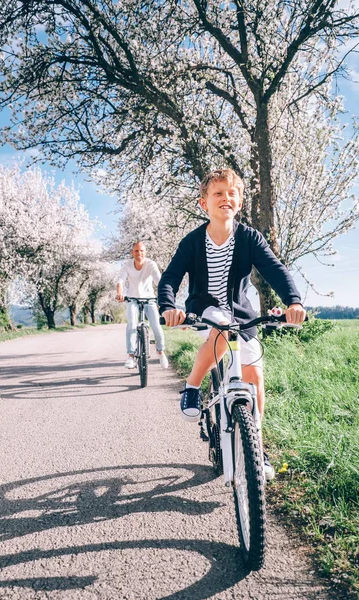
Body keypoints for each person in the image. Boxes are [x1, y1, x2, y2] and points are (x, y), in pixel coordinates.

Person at [158, 168, 306, 480]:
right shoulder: (192, 242)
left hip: (242, 311)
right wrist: (168, 306)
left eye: (232, 193)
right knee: (222, 325)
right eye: (218, 193)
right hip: (203, 307)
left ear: (239, 202)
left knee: (254, 375)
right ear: (204, 203)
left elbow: (274, 269)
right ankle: (192, 386)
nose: (226, 198)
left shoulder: (249, 237)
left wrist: (293, 300)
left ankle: (256, 444)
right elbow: (171, 277)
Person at [117, 241, 168, 370]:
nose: (139, 253)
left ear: (145, 252)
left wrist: (164, 294)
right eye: (136, 251)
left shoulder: (150, 264)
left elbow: (158, 280)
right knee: (132, 324)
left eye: (141, 251)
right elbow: (120, 280)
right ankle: (130, 356)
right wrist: (120, 292)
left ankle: (161, 352)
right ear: (132, 252)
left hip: (149, 298)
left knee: (156, 324)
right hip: (132, 298)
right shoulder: (127, 265)